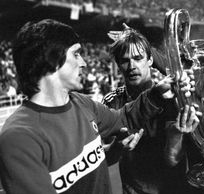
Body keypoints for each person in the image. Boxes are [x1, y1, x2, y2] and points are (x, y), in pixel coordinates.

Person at [0, 19, 194, 194]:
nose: (84, 62)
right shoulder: (19, 138)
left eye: (138, 58)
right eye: (76, 54)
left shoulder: (81, 103)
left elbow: (121, 119)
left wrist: (157, 94)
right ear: (53, 60)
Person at [103, 25, 201, 194]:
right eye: (125, 60)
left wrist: (175, 136)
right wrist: (117, 147)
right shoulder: (112, 102)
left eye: (138, 58)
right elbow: (104, 159)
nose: (132, 65)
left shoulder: (172, 97)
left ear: (150, 60)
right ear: (118, 64)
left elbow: (172, 160)